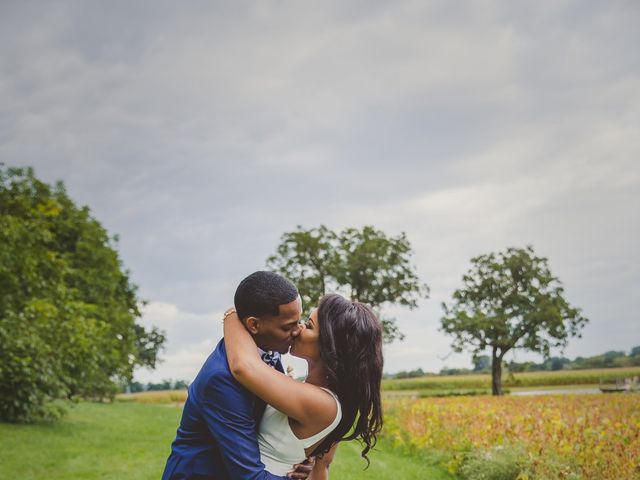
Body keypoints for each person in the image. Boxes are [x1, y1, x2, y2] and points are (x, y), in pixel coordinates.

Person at [162, 271, 314, 480]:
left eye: (300, 321)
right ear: (254, 325)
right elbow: (249, 476)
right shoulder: (221, 380)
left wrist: (296, 459)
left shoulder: (268, 350)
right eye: (288, 326)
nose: (298, 331)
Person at [223, 291, 384, 479]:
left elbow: (243, 366)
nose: (298, 328)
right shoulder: (314, 393)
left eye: (308, 325)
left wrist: (233, 314)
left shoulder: (324, 404)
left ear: (331, 346)